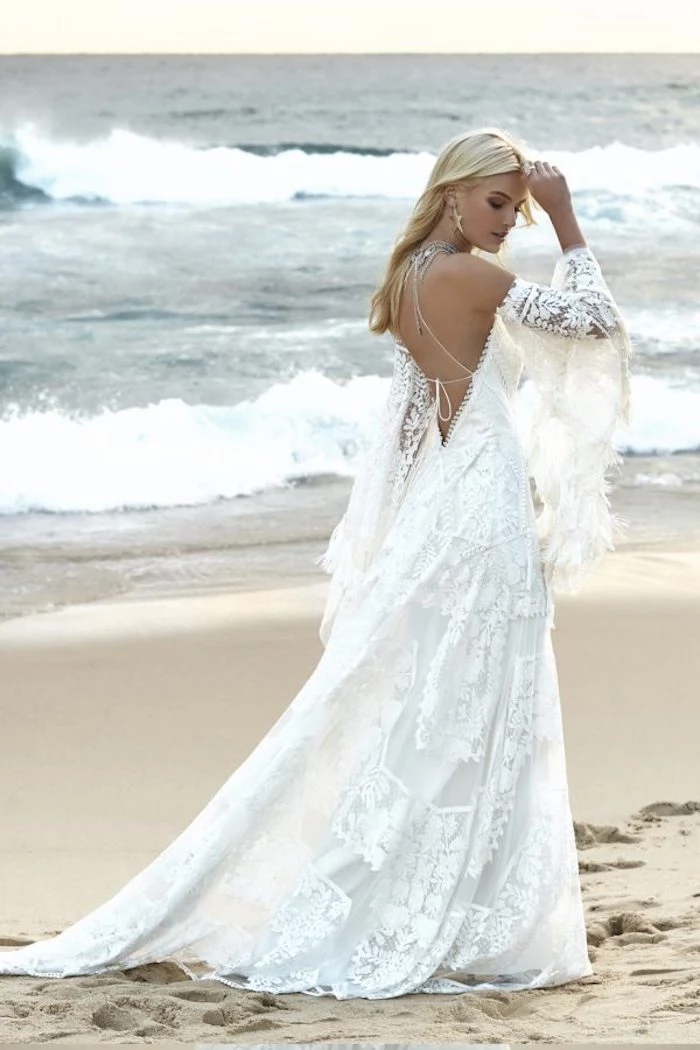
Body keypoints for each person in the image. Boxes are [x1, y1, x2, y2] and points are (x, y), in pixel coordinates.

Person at [0, 127, 632, 998]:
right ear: (451, 194)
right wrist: (568, 220)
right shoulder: (471, 276)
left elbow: (417, 427)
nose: (506, 223)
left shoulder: (410, 281)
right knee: (477, 712)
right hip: (481, 512)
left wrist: (408, 534)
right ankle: (447, 914)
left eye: (517, 209)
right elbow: (595, 322)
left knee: (450, 711)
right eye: (497, 204)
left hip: (454, 508)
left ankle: (443, 903)